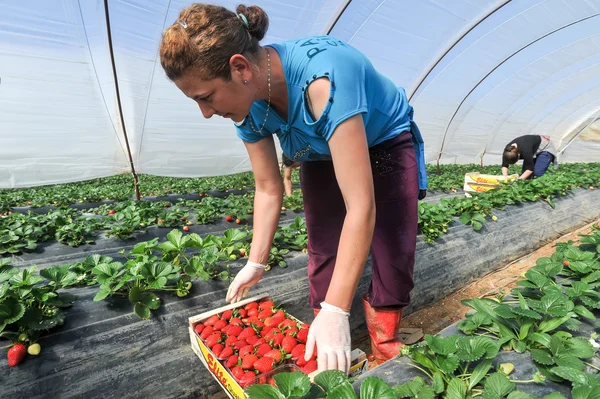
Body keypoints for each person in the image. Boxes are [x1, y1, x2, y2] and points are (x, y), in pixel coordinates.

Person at [159, 3, 428, 374]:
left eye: (205, 97)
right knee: (323, 247)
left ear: (240, 68)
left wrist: (337, 310)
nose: (205, 112)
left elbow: (360, 206)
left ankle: (384, 346)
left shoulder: (324, 77)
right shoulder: (248, 105)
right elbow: (269, 188)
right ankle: (325, 351)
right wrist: (256, 262)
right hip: (316, 148)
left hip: (382, 138)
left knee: (391, 246)